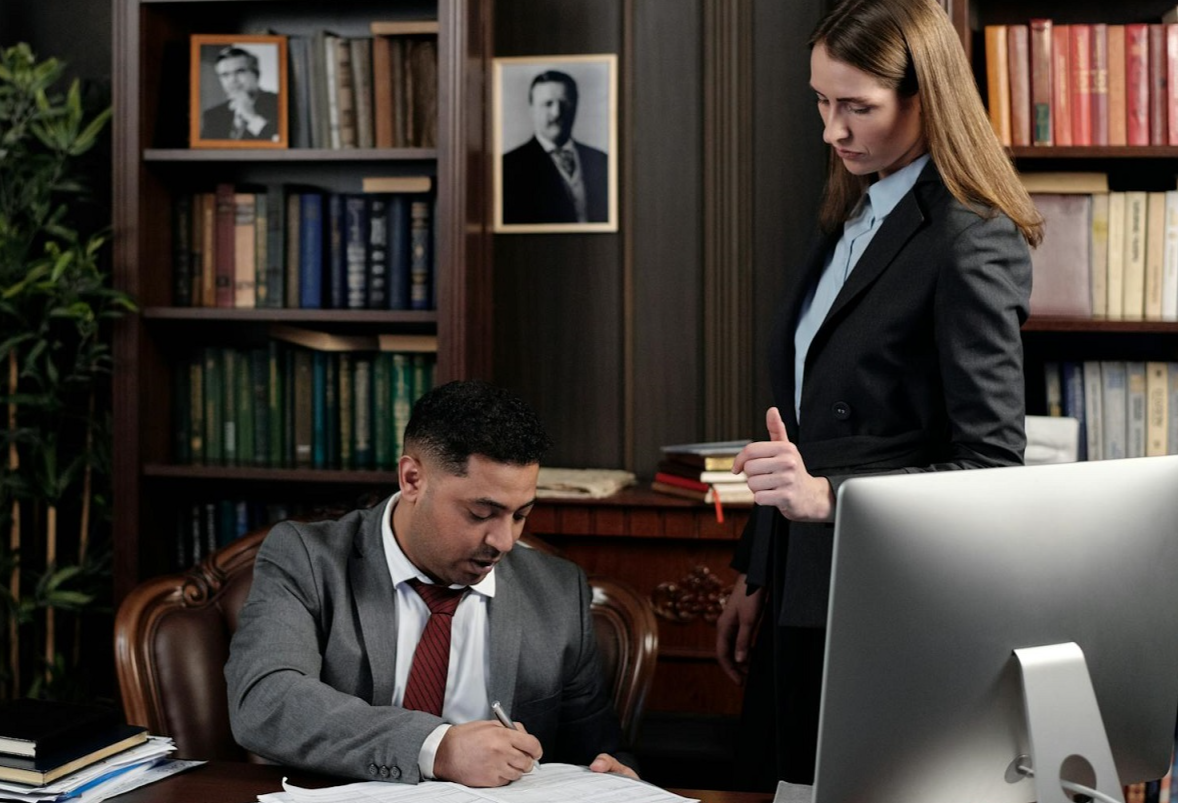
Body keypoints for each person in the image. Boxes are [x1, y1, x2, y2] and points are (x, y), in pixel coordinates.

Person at [714, 0, 1042, 791]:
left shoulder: (969, 235)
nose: (831, 130)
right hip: (801, 578)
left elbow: (991, 466)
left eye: (856, 107)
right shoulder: (849, 213)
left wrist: (830, 500)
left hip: (889, 600)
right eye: (821, 102)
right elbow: (793, 429)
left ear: (924, 98)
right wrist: (758, 570)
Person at [225, 380, 635, 787]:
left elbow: (596, 752)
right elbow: (266, 701)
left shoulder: (557, 591)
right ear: (412, 479)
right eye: (480, 512)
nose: (504, 541)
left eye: (520, 514)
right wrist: (437, 747)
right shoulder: (308, 560)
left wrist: (616, 777)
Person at [501, 70, 609, 225]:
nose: (557, 112)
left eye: (564, 103)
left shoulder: (601, 160)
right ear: (532, 108)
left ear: (576, 105)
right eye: (548, 104)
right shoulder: (508, 167)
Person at [201, 46, 279, 141]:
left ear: (256, 74)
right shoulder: (212, 116)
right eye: (225, 75)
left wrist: (252, 118)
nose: (232, 80)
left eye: (239, 72)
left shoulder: (278, 103)